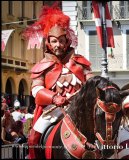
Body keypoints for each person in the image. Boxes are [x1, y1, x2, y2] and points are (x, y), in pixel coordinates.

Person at [22, 3, 94, 159]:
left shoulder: (81, 62)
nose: (58, 45)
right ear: (48, 43)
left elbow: (92, 83)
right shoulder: (42, 65)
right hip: (53, 111)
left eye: (61, 41)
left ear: (67, 41)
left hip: (81, 111)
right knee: (33, 137)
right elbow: (36, 90)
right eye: (54, 41)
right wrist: (54, 98)